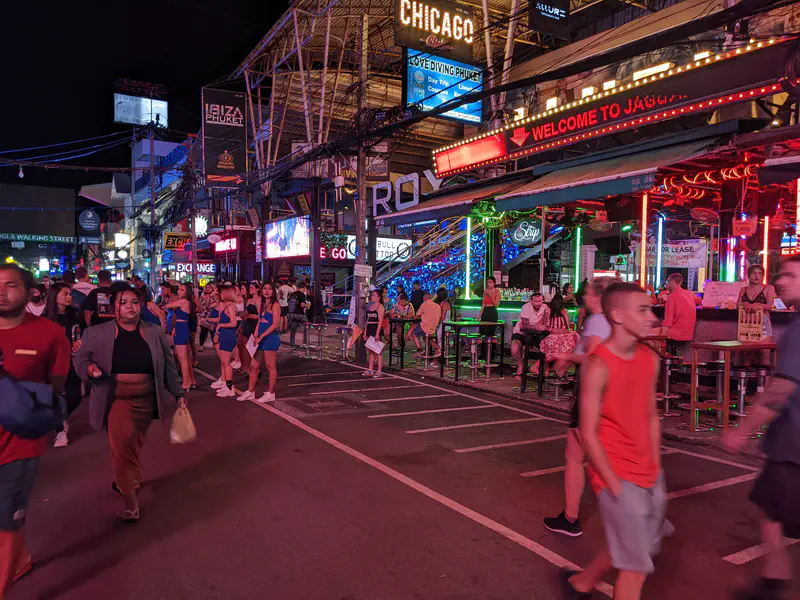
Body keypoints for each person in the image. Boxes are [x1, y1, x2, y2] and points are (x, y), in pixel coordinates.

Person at [562, 282, 664, 600]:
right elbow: (588, 432)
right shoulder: (598, 365)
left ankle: (582, 582)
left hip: (649, 473)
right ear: (618, 315)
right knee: (636, 568)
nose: (652, 317)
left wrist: (655, 468)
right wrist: (614, 484)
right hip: (617, 473)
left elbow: (650, 416)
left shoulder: (650, 358)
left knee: (635, 544)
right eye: (643, 310)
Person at [723, 255, 800, 600]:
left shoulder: (798, 329)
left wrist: (742, 430)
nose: (780, 282)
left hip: (793, 443)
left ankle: (772, 586)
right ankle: (772, 584)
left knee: (773, 513)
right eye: (780, 274)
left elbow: (780, 390)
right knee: (771, 513)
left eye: (790, 275)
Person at [73, 285, 185, 523]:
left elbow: (168, 365)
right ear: (114, 307)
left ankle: (122, 477)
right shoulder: (97, 333)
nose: (130, 307)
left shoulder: (154, 332)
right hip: (116, 399)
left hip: (146, 399)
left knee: (132, 446)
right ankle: (130, 495)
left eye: (135, 302)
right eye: (124, 303)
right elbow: (80, 358)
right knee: (123, 445)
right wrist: (89, 369)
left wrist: (178, 392)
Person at [0, 265, 70, 596]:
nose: (1, 291)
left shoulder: (50, 334)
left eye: (10, 285)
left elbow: (55, 387)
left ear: (30, 293)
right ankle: (22, 556)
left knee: (6, 520)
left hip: (20, 441)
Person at [543, 278, 613, 537]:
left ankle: (571, 516)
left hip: (591, 392)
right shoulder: (614, 320)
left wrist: (567, 357)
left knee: (578, 455)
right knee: (593, 452)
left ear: (595, 297)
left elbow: (594, 356)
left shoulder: (596, 320)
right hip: (607, 390)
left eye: (587, 295)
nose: (583, 298)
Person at [44, 283, 84, 448]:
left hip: (73, 362)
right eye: (65, 294)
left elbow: (85, 331)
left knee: (75, 397)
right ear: (55, 296)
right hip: (52, 365)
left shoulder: (75, 314)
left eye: (69, 294)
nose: (69, 297)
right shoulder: (45, 319)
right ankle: (60, 432)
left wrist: (82, 340)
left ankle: (59, 418)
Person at [239, 282, 282, 403]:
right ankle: (250, 391)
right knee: (253, 366)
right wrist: (256, 335)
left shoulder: (275, 305)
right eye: (265, 289)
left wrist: (261, 336)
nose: (267, 291)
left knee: (270, 366)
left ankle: (270, 393)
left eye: (269, 289)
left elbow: (275, 324)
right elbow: (259, 321)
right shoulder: (263, 304)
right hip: (260, 339)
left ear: (273, 291)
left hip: (270, 339)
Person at [737, 264, 776, 361]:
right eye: (754, 273)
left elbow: (769, 306)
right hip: (745, 326)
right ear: (748, 275)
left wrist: (758, 305)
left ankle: (765, 377)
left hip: (763, 325)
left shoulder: (769, 288)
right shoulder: (743, 289)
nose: (757, 276)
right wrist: (744, 304)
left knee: (764, 357)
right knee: (746, 357)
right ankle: (747, 376)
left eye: (760, 274)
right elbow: (737, 306)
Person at [162, 283, 196, 391]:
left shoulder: (183, 301)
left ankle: (186, 383)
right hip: (180, 328)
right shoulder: (183, 302)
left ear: (187, 292)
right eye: (179, 289)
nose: (179, 291)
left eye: (182, 290)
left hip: (182, 329)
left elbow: (166, 306)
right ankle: (190, 380)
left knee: (183, 358)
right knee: (184, 357)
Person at [510, 292, 550, 380]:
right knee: (514, 350)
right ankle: (520, 367)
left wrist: (543, 321)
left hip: (536, 335)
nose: (538, 303)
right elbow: (525, 325)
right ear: (531, 301)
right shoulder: (526, 307)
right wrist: (537, 326)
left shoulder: (545, 307)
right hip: (521, 333)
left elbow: (546, 321)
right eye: (536, 301)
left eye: (540, 301)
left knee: (548, 347)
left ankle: (537, 367)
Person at [539, 293, 578, 377]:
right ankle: (561, 370)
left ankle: (547, 369)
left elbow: (544, 326)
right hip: (562, 339)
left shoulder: (547, 311)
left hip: (550, 340)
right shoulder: (564, 311)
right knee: (575, 347)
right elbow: (567, 326)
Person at [659, 273, 697, 359]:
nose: (666, 284)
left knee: (646, 336)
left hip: (676, 333)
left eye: (667, 281)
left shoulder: (671, 297)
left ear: (672, 282)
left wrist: (661, 341)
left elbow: (667, 323)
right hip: (689, 333)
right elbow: (700, 300)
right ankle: (669, 357)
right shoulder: (689, 294)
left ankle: (663, 358)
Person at [212, 283, 239, 398]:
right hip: (224, 335)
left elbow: (234, 323)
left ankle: (229, 387)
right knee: (224, 362)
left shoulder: (231, 307)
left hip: (228, 336)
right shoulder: (226, 306)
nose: (221, 294)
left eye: (223, 292)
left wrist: (221, 325)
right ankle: (226, 385)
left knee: (226, 363)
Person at [407, 292, 442, 357]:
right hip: (433, 327)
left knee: (413, 333)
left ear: (424, 298)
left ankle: (419, 349)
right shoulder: (438, 306)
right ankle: (439, 349)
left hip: (425, 327)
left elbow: (417, 315)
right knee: (427, 339)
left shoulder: (424, 304)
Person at [363, 289, 386, 377]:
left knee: (378, 351)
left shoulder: (380, 307)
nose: (371, 297)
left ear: (378, 297)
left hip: (376, 329)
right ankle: (370, 369)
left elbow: (380, 321)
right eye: (371, 295)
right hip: (369, 329)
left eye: (373, 295)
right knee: (371, 351)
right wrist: (365, 332)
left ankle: (379, 371)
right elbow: (367, 320)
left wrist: (377, 334)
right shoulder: (370, 306)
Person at [288, 281, 310, 349]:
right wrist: (308, 305)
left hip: (292, 314)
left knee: (293, 330)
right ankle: (305, 343)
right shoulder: (302, 295)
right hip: (300, 314)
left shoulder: (292, 294)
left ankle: (292, 345)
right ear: (303, 288)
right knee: (307, 326)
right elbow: (302, 305)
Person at [198, 283, 218, 348]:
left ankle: (214, 344)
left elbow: (215, 305)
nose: (207, 289)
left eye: (209, 287)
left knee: (213, 331)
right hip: (204, 316)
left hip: (212, 316)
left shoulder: (215, 296)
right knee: (203, 332)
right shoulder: (202, 296)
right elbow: (201, 306)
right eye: (206, 287)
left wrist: (210, 297)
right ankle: (201, 345)